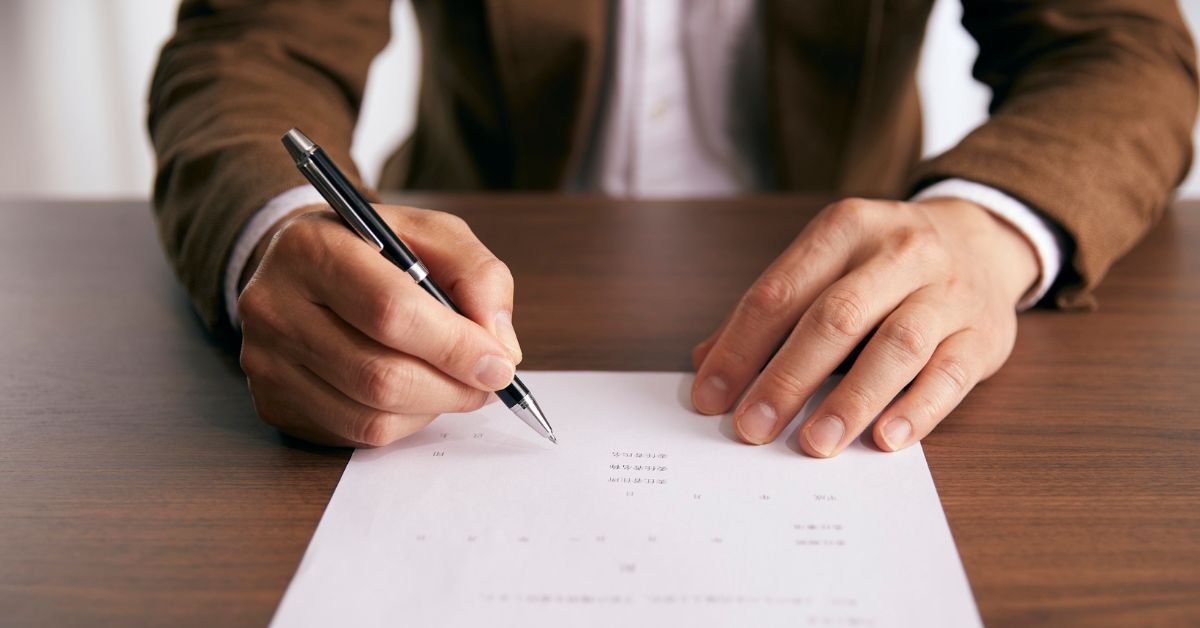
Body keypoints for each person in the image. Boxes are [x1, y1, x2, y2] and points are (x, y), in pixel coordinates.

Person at [148, 0, 1197, 456]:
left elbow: (1121, 47)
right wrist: (281, 231)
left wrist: (987, 226)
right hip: (462, 281)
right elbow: (250, 47)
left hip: (855, 301)